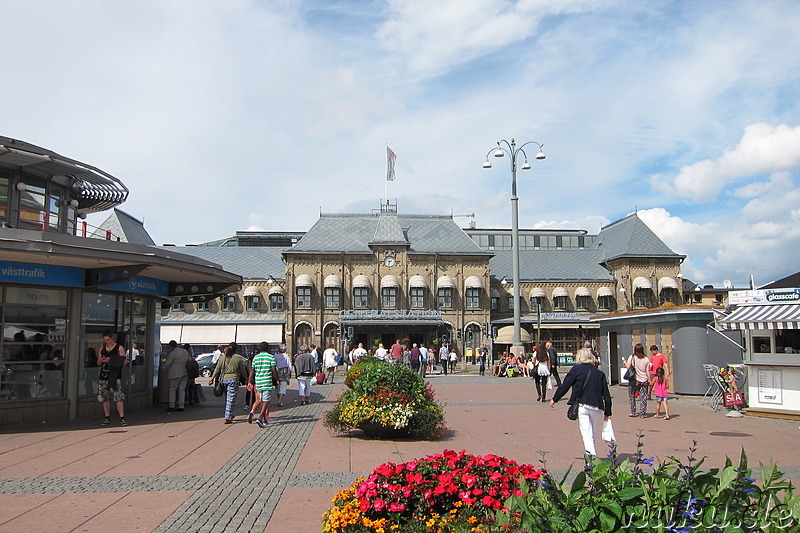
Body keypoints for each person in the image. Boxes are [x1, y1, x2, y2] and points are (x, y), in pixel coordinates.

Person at [550, 348, 612, 456]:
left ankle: (591, 459)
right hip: (596, 406)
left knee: (586, 433)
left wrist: (555, 398)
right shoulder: (599, 374)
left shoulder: (576, 370)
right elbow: (606, 394)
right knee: (592, 432)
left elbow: (565, 386)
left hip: (582, 405)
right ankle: (591, 455)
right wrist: (608, 412)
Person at [208, 346, 248, 424]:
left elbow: (217, 369)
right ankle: (228, 417)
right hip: (233, 379)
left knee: (228, 398)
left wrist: (212, 379)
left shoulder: (222, 358)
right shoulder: (237, 359)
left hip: (223, 380)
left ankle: (230, 414)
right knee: (231, 399)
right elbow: (243, 371)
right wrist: (246, 379)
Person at [97, 332, 127, 426]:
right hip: (104, 375)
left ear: (112, 338)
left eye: (108, 340)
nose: (107, 342)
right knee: (104, 397)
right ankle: (107, 417)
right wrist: (101, 360)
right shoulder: (102, 349)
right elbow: (98, 363)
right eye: (105, 340)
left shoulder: (119, 348)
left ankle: (122, 418)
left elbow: (124, 362)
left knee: (118, 396)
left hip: (115, 375)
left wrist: (112, 360)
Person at [248, 342, 277, 428]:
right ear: (268, 349)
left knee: (261, 400)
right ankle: (260, 418)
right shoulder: (270, 357)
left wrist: (249, 381)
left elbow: (252, 370)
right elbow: (274, 369)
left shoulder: (256, 358)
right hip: (267, 381)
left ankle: (264, 419)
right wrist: (277, 379)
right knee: (266, 400)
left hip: (258, 382)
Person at [624, 343, 651, 418]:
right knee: (643, 396)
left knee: (631, 395)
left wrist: (625, 363)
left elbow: (628, 367)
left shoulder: (632, 357)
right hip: (644, 379)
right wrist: (649, 380)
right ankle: (642, 413)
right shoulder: (646, 359)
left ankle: (633, 412)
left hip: (634, 380)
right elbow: (647, 371)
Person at [165, 340, 190, 412]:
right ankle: (181, 405)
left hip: (175, 374)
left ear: (170, 346)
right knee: (182, 389)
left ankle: (172, 405)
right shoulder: (184, 352)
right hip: (185, 373)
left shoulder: (173, 353)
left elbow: (167, 364)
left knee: (172, 389)